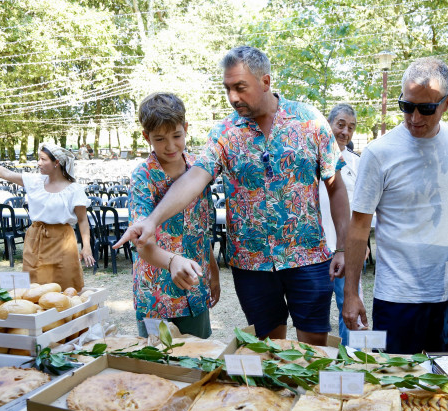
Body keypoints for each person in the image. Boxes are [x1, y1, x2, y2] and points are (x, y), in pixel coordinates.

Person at [114, 46, 350, 345]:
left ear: (265, 82)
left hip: (307, 256)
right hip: (252, 265)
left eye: (241, 87)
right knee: (267, 348)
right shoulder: (224, 132)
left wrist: (342, 246)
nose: (233, 97)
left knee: (314, 344)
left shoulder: (310, 122)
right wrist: (153, 220)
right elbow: (195, 177)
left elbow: (336, 186)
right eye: (228, 88)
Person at [342, 58, 448, 354]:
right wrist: (351, 293)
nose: (414, 117)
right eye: (406, 106)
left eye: (426, 108)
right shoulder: (379, 153)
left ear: (447, 103)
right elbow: (358, 227)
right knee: (398, 385)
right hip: (398, 298)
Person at [130, 92, 220, 338]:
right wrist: (171, 262)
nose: (170, 146)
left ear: (186, 129)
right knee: (158, 363)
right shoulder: (143, 177)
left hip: (195, 287)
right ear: (146, 137)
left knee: (198, 360)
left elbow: (201, 229)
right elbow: (141, 242)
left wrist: (213, 271)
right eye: (160, 139)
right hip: (156, 292)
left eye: (176, 136)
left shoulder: (199, 170)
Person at [0, 143, 94, 290]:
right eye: (39, 158)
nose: (39, 163)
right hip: (35, 238)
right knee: (34, 286)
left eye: (43, 159)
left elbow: (83, 220)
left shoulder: (73, 189)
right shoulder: (35, 182)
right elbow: (6, 173)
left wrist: (86, 247)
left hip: (62, 241)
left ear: (57, 162)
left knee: (65, 285)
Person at [319, 103, 361, 345]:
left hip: (347, 250)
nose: (345, 132)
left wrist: (361, 243)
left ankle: (349, 360)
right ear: (329, 125)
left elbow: (362, 209)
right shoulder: (312, 159)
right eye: (341, 124)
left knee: (350, 307)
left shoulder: (356, 164)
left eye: (351, 128)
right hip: (316, 251)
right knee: (317, 312)